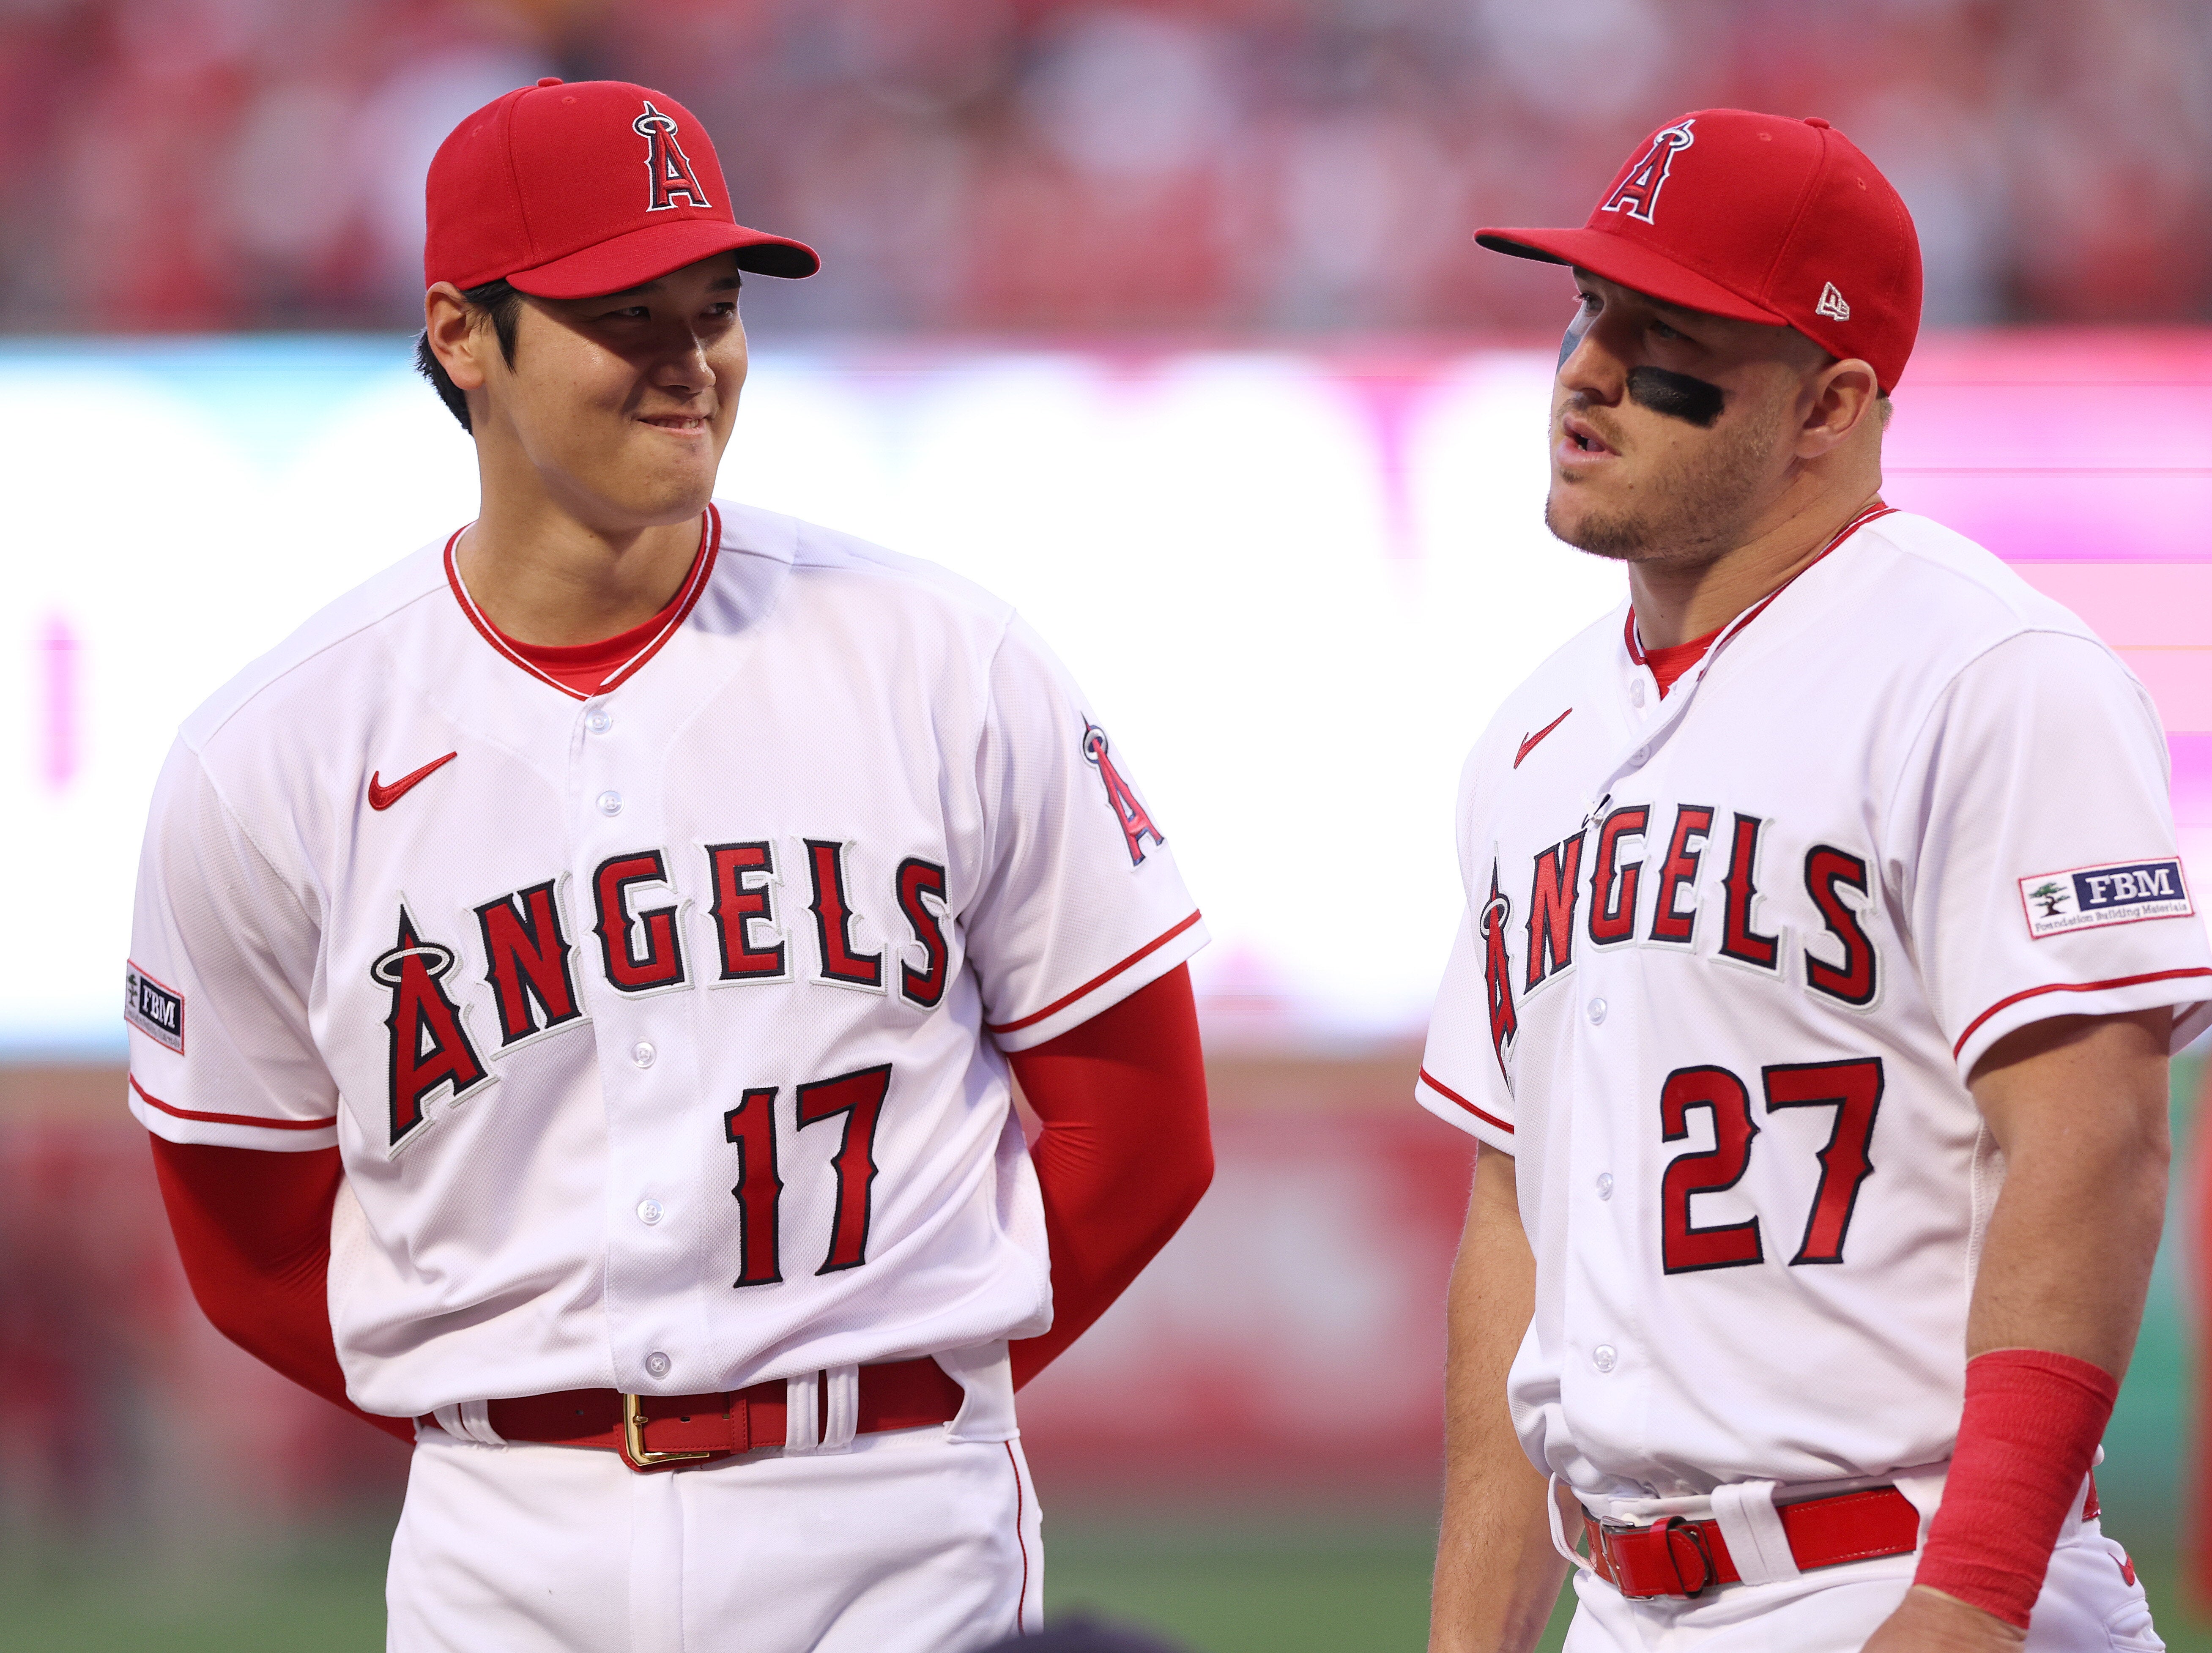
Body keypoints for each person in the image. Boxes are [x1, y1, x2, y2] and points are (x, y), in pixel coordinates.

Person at [126, 78, 1213, 1653]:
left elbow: (1145, 1130)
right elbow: (253, 1243)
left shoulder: (940, 662)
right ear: (461, 335)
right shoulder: (272, 758)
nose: (690, 360)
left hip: (898, 1529)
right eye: (623, 314)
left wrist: (915, 1379)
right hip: (505, 1555)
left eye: (713, 308)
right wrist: (519, 1415)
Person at [1415, 108, 2209, 1651]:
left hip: (1900, 1569)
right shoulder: (1531, 740)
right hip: (1617, 1598)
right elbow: (1516, 1224)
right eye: (1589, 308)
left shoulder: (1988, 671)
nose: (1587, 371)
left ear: (1830, 405)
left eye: (1666, 339)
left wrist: (1971, 1598)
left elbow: (2093, 1144)